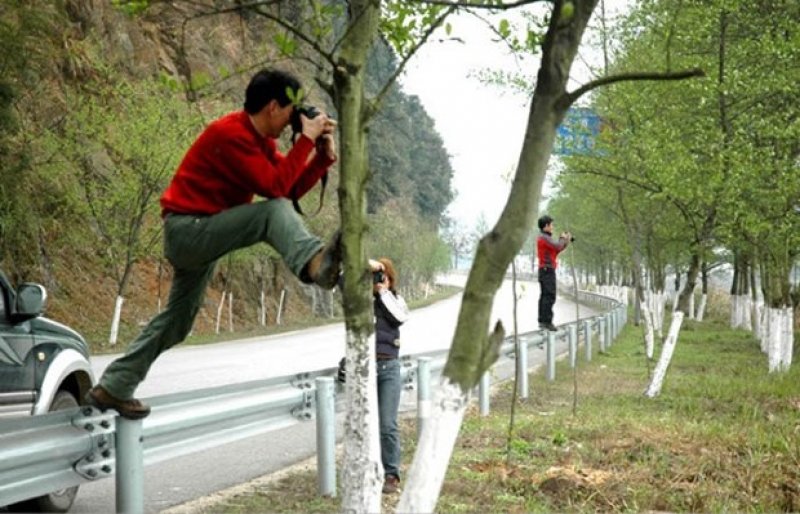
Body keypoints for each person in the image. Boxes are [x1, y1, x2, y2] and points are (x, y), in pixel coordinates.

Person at [86, 68, 341, 420]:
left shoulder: (260, 141)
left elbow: (291, 185)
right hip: (189, 230)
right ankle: (314, 263)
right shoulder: (230, 134)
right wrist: (304, 141)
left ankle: (114, 386)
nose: (290, 123)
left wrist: (321, 158)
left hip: (201, 230)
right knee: (272, 212)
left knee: (178, 321)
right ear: (272, 107)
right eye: (289, 112)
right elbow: (276, 190)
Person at [369, 257, 409, 494]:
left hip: (389, 368)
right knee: (366, 425)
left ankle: (391, 474)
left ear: (390, 278)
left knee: (387, 425)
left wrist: (384, 293)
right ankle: (370, 470)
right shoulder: (364, 301)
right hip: (366, 369)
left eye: (382, 276)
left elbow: (400, 318)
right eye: (376, 276)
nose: (378, 280)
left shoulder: (396, 300)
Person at [536, 215, 570, 331]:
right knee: (549, 296)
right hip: (547, 270)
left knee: (545, 295)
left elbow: (558, 249)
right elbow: (557, 246)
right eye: (551, 225)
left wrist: (565, 241)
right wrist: (562, 238)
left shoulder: (545, 238)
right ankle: (546, 322)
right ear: (546, 226)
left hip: (546, 270)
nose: (552, 227)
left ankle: (543, 321)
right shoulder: (544, 238)